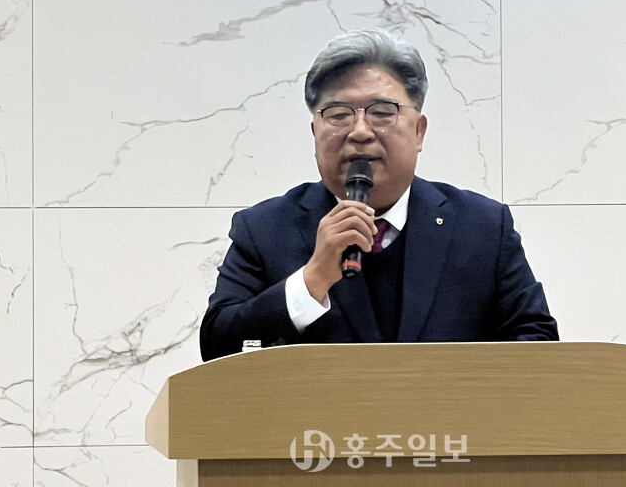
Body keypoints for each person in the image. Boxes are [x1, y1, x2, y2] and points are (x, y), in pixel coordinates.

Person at [200, 28, 557, 361]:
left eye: (382, 112)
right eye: (338, 114)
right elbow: (217, 350)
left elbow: (537, 343)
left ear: (419, 131)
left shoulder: (482, 226)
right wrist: (311, 281)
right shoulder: (264, 229)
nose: (359, 131)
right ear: (315, 132)